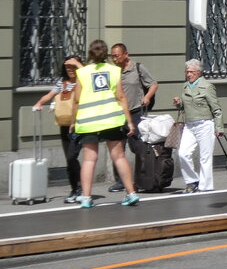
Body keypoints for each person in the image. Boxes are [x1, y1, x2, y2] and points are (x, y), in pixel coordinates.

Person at [72, 39, 139, 208]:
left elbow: (77, 99)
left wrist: (73, 122)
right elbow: (121, 97)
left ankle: (86, 198)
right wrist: (129, 122)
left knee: (89, 160)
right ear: (106, 53)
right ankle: (131, 193)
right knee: (119, 156)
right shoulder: (114, 70)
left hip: (88, 121)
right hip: (112, 119)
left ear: (90, 53)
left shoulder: (83, 72)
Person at [32, 55, 84, 203]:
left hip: (79, 124)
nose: (70, 70)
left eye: (73, 67)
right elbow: (50, 95)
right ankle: (74, 189)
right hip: (64, 124)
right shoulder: (62, 82)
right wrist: (39, 103)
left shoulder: (82, 81)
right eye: (68, 67)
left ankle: (80, 188)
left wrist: (79, 66)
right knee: (69, 159)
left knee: (72, 156)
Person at [107, 43, 158, 192]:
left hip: (136, 112)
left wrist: (147, 97)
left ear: (125, 54)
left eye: (117, 55)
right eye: (112, 56)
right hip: (117, 113)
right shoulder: (112, 70)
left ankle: (140, 178)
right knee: (117, 147)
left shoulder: (137, 67)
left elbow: (154, 84)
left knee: (137, 146)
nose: (115, 59)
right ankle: (120, 181)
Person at [173, 59, 223, 192]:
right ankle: (192, 181)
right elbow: (185, 106)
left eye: (191, 72)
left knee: (205, 157)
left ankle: (205, 187)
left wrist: (219, 128)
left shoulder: (207, 86)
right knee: (183, 153)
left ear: (199, 73)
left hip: (205, 124)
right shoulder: (186, 86)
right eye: (187, 72)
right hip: (189, 124)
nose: (188, 74)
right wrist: (179, 103)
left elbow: (216, 109)